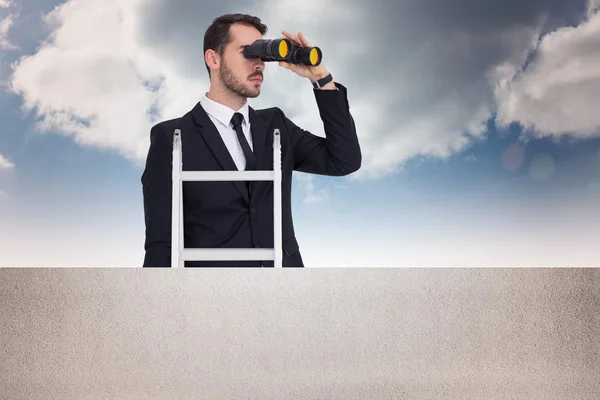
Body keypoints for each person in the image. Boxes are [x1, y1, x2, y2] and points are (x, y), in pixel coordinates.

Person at [141, 13, 361, 267]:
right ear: (213, 59)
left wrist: (320, 78)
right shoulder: (171, 137)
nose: (258, 64)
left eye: (262, 55)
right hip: (212, 292)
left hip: (284, 286)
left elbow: (344, 161)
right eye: (247, 52)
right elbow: (160, 242)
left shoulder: (276, 125)